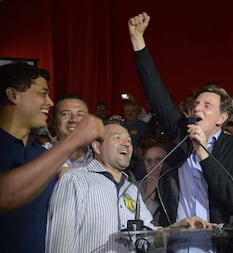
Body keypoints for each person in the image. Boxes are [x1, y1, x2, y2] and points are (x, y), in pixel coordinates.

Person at [128, 13, 233, 252]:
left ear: (222, 118)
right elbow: (156, 92)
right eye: (196, 104)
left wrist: (202, 152)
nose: (197, 108)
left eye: (207, 106)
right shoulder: (180, 136)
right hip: (177, 244)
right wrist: (137, 40)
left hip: (217, 246)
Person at [46, 121, 213, 253]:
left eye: (129, 139)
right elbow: (60, 244)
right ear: (97, 146)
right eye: (117, 137)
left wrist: (177, 229)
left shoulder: (131, 190)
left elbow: (146, 237)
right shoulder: (75, 180)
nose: (126, 143)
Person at [0, 62, 104, 253]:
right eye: (42, 93)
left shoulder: (41, 154)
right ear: (13, 95)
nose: (50, 102)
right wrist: (72, 141)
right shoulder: (51, 157)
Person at [51, 94, 94, 175]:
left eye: (80, 115)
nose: (74, 120)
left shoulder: (100, 156)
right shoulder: (41, 155)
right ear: (54, 120)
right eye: (66, 114)